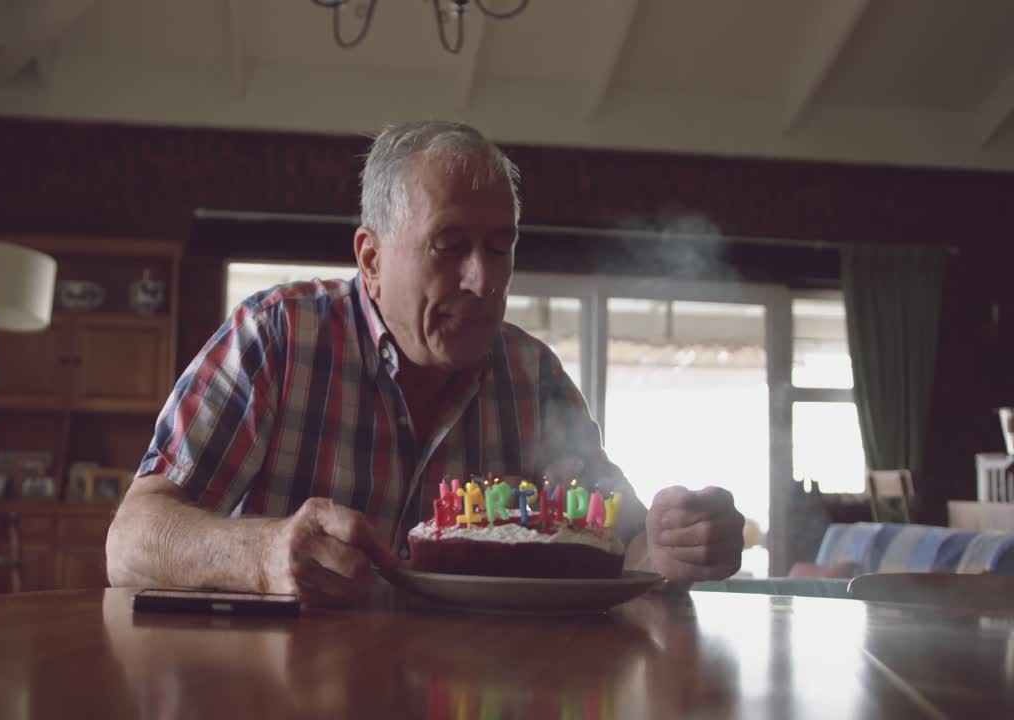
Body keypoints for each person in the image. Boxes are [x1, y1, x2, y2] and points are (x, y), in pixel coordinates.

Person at [107, 121, 745, 602]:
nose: (482, 281)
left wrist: (673, 546)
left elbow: (619, 545)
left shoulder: (534, 377)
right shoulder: (276, 337)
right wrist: (264, 554)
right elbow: (131, 540)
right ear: (372, 260)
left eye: (500, 249)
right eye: (450, 246)